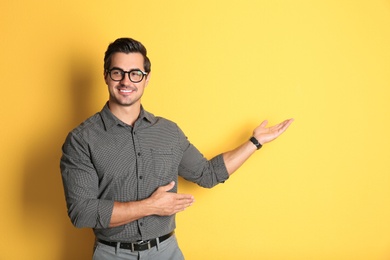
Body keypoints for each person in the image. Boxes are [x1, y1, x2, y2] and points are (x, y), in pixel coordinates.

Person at [60, 37, 294, 260]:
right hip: (112, 254)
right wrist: (151, 206)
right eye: (117, 72)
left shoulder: (169, 132)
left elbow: (208, 174)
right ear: (106, 76)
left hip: (166, 252)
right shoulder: (82, 140)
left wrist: (255, 142)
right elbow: (82, 213)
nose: (126, 81)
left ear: (147, 78)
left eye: (135, 73)